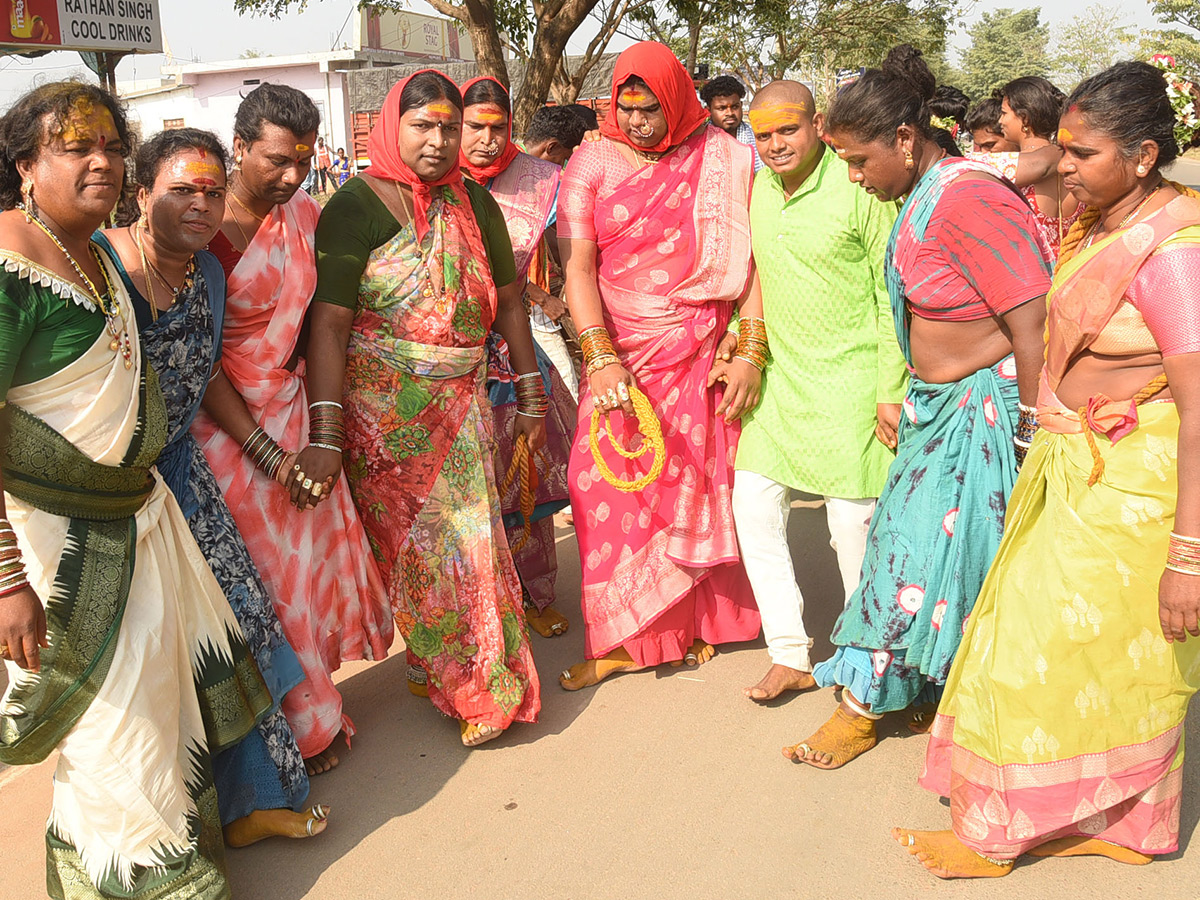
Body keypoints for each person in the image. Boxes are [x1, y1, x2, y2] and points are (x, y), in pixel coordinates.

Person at [899, 61, 1200, 881]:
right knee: (1097, 653)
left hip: (1135, 489)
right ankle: (1136, 824)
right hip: (1080, 469)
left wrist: (1188, 556)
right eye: (1062, 147)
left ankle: (997, 834)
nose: (1063, 164)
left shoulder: (1172, 252)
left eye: (1082, 152)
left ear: (1142, 156)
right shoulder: (1099, 220)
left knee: (1046, 649)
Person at [0, 81, 269, 899]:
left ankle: (142, 865)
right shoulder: (10, 259)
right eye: (76, 147)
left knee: (158, 706)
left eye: (113, 147)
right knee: (112, 724)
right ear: (23, 166)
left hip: (143, 520)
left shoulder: (98, 254)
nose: (103, 162)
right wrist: (7, 579)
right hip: (65, 550)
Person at [792, 45, 1052, 768]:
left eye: (857, 160)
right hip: (939, 408)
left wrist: (1031, 438)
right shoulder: (925, 191)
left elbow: (1031, 323)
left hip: (985, 416)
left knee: (904, 559)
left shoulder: (966, 196)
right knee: (925, 562)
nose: (851, 177)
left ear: (904, 140)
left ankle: (862, 707)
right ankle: (920, 693)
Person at [95, 128, 327, 847]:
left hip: (188, 487)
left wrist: (269, 455)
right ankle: (163, 835)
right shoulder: (99, 272)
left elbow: (208, 380)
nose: (200, 204)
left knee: (236, 635)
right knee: (147, 667)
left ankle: (254, 804)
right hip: (112, 503)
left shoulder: (208, 276)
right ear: (139, 194)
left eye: (210, 190)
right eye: (180, 189)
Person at [307, 70, 543, 747]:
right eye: (423, 126)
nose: (439, 141)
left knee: (466, 550)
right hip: (382, 420)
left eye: (448, 126)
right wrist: (326, 434)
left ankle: (481, 689)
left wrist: (530, 394)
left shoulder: (473, 201)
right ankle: (445, 664)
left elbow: (511, 299)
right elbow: (328, 324)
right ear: (392, 126)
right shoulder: (353, 206)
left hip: (462, 407)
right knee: (412, 555)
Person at [193, 82, 392, 777]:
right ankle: (299, 729)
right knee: (266, 581)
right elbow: (198, 359)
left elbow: (323, 326)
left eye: (301, 163)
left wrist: (322, 434)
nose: (288, 176)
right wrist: (270, 458)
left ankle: (314, 705)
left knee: (304, 575)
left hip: (296, 409)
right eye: (274, 159)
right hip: (224, 430)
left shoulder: (307, 214)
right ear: (238, 147)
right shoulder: (200, 227)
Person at [557, 41, 762, 691]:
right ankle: (623, 637)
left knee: (691, 486)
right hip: (619, 354)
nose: (639, 121)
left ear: (676, 101)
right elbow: (577, 268)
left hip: (699, 348)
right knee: (600, 488)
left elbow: (748, 262)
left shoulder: (723, 159)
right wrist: (600, 356)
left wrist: (750, 349)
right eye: (627, 107)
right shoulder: (590, 162)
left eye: (651, 109)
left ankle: (688, 626)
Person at [733, 80, 907, 703]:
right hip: (781, 382)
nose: (776, 144)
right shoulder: (757, 187)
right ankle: (789, 652)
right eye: (764, 132)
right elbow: (754, 276)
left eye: (789, 129)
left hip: (854, 381)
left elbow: (894, 296)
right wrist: (743, 345)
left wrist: (889, 388)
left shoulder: (856, 186)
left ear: (818, 124)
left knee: (852, 527)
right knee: (752, 504)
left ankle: (872, 663)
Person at [459, 76, 578, 637]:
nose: (485, 139)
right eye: (473, 127)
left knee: (522, 471)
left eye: (497, 128)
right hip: (445, 356)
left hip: (512, 351)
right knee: (462, 495)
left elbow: (574, 258)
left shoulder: (542, 182)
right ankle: (476, 610)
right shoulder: (431, 179)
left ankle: (535, 595)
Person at [984, 76, 1083, 259]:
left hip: (1029, 274)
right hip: (1067, 270)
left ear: (1025, 118)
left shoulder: (1005, 167)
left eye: (1004, 113)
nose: (1000, 121)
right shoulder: (1074, 164)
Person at [700, 73, 763, 171]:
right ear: (708, 110)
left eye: (735, 107)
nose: (730, 113)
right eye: (722, 108)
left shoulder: (757, 138)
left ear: (741, 105)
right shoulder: (700, 141)